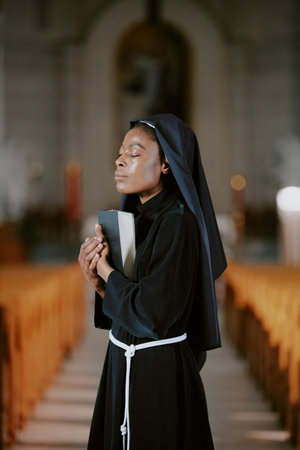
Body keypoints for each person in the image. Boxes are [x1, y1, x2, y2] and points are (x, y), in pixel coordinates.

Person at [78, 113, 227, 450]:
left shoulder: (177, 223)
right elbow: (131, 303)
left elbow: (153, 316)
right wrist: (98, 281)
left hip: (157, 374)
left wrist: (106, 271)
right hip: (121, 361)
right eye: (120, 153)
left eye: (133, 153)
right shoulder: (134, 221)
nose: (119, 160)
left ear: (166, 165)